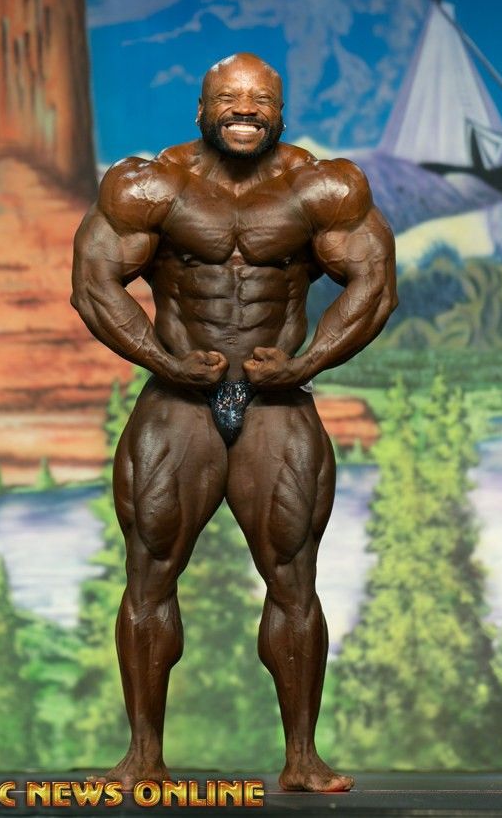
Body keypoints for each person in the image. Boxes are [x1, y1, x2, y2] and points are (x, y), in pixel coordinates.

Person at [71, 52, 397, 792]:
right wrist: (162, 358)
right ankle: (144, 756)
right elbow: (93, 285)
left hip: (277, 402)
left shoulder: (323, 187)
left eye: (259, 99)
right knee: (149, 574)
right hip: (177, 400)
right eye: (228, 97)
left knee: (293, 578)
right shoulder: (150, 185)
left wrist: (307, 363)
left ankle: (302, 758)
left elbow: (374, 287)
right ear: (202, 109)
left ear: (280, 111)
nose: (243, 109)